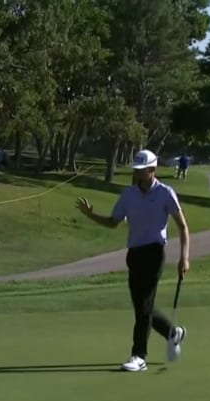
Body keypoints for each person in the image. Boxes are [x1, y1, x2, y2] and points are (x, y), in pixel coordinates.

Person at [76, 149, 190, 372]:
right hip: (134, 255)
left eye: (142, 170)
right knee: (142, 306)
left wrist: (184, 257)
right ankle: (173, 332)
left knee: (144, 305)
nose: (138, 174)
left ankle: (139, 356)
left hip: (155, 253)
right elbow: (113, 222)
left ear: (152, 170)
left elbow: (183, 227)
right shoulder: (129, 195)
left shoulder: (166, 193)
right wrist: (91, 215)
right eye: (136, 170)